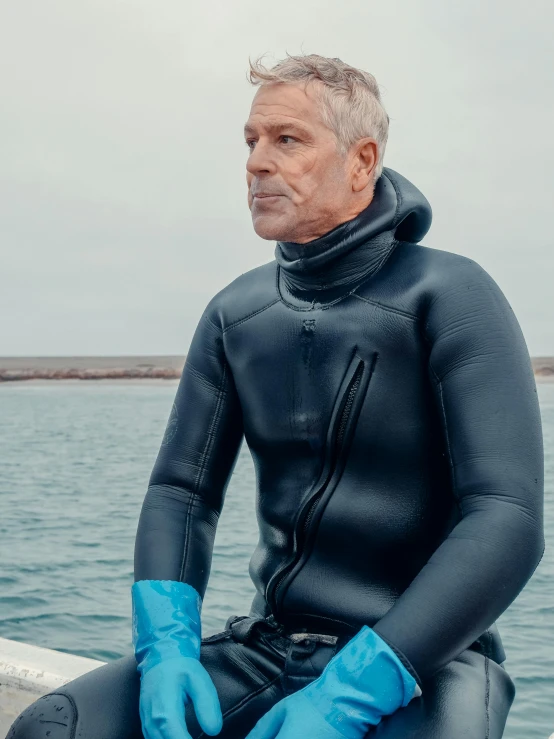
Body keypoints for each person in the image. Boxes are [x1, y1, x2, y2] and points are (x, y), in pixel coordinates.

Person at [8, 54, 544, 739]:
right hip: (268, 644)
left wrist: (350, 694)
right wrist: (168, 650)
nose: (257, 162)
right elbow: (181, 492)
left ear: (361, 161)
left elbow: (505, 518)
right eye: (251, 141)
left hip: (427, 661)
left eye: (287, 140)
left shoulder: (452, 296)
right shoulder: (237, 313)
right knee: (52, 725)